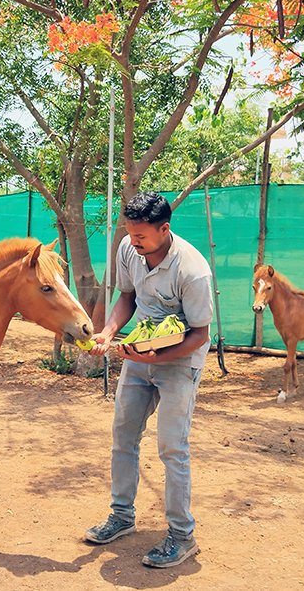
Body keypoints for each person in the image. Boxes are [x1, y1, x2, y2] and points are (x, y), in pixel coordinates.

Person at [85, 191, 214, 568]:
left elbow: (200, 334)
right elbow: (127, 295)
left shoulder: (192, 270)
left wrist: (156, 355)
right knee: (123, 436)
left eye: (141, 236)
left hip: (180, 361)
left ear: (164, 229)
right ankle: (122, 517)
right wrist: (109, 333)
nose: (133, 242)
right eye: (130, 233)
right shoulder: (129, 248)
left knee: (172, 448)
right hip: (138, 354)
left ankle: (181, 536)